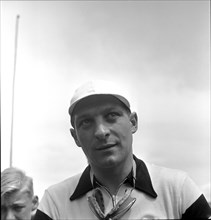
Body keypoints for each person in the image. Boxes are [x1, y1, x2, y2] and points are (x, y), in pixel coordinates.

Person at [35, 80, 211, 219]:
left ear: (133, 122)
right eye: (86, 122)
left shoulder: (178, 190)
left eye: (111, 116)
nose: (101, 132)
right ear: (75, 137)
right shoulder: (54, 203)